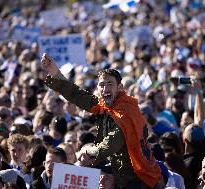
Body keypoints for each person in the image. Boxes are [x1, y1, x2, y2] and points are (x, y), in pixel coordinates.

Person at [41, 53, 163, 189]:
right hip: (121, 178)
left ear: (119, 87)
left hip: (139, 179)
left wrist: (89, 152)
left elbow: (112, 142)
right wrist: (55, 71)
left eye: (110, 84)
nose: (105, 89)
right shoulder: (104, 105)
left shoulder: (127, 110)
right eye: (102, 85)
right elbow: (77, 95)